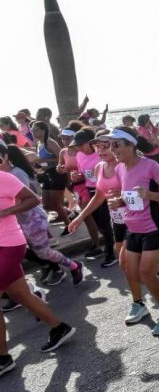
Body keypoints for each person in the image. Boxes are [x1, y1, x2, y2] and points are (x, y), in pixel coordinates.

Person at [102, 127, 159, 333]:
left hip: (154, 226)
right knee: (133, 273)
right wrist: (119, 202)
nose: (112, 149)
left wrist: (149, 194)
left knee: (146, 274)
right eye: (110, 145)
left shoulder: (150, 166)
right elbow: (131, 197)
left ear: (131, 145)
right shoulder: (120, 169)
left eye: (116, 145)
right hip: (132, 228)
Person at [0, 166, 77, 372]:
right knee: (20, 295)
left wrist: (6, 211)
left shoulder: (3, 178)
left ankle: (3, 358)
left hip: (8, 244)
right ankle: (59, 328)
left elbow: (33, 199)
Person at [1, 143, 84, 289]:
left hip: (32, 220)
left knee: (44, 252)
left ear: (6, 156)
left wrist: (6, 211)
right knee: (33, 252)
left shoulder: (16, 174)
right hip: (17, 223)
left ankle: (74, 265)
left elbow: (29, 199)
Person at [72, 129, 118, 266]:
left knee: (105, 222)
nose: (79, 148)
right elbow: (85, 177)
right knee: (100, 224)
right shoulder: (86, 159)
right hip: (94, 191)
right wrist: (76, 177)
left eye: (81, 144)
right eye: (98, 146)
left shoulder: (115, 161)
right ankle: (111, 247)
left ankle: (110, 252)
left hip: (112, 195)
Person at [29, 121, 72, 232]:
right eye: (32, 130)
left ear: (44, 130)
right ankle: (65, 212)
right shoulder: (39, 144)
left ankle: (69, 225)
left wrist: (44, 160)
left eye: (36, 130)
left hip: (57, 174)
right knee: (47, 205)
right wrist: (39, 167)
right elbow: (42, 161)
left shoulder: (50, 142)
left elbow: (62, 158)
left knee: (56, 204)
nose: (33, 132)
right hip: (47, 174)